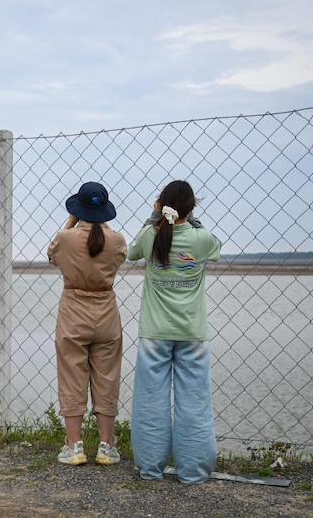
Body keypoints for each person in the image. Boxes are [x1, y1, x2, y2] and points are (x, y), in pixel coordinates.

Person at [127, 180, 221, 484]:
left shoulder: (150, 236)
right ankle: (192, 471)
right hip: (192, 332)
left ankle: (151, 469)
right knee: (194, 400)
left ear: (160, 205)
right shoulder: (202, 238)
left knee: (150, 400)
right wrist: (190, 220)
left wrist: (154, 218)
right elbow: (215, 250)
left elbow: (130, 254)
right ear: (192, 207)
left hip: (154, 332)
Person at [47, 182, 128, 465]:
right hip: (105, 311)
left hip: (73, 311)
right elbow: (117, 257)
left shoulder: (65, 238)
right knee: (107, 377)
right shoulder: (117, 240)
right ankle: (106, 445)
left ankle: (74, 445)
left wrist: (71, 222)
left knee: (72, 376)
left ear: (78, 209)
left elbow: (51, 255)